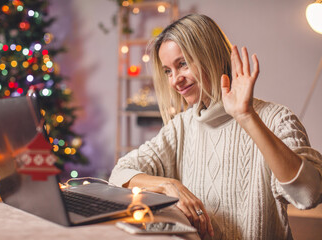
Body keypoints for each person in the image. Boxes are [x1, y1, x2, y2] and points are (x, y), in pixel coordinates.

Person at [109, 14, 322, 239]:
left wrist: (246, 116)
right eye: (168, 71)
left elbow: (308, 195)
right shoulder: (181, 126)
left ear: (214, 56)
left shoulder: (276, 118)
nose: (174, 80)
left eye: (182, 64)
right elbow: (119, 174)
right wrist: (169, 186)